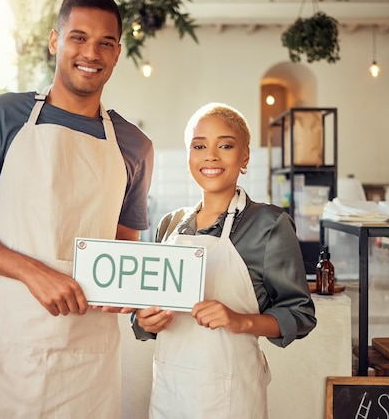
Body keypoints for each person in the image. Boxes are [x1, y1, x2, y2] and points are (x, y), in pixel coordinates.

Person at [0, 0, 153, 418]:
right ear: (55, 41)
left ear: (116, 53)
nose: (90, 52)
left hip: (85, 362)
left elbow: (122, 245)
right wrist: (34, 272)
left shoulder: (135, 145)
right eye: (78, 37)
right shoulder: (2, 116)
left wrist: (142, 292)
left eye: (105, 43)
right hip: (0, 349)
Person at [132, 102, 316, 418]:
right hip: (169, 392)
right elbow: (143, 311)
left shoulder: (269, 225)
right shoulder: (170, 225)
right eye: (199, 146)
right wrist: (144, 321)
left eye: (226, 145)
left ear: (244, 157)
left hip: (232, 397)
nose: (211, 156)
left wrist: (241, 320)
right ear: (189, 156)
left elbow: (300, 314)